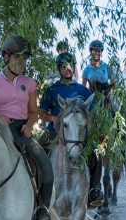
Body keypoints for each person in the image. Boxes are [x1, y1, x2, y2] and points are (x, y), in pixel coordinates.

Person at [0, 35, 53, 220]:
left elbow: (34, 112)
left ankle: (42, 209)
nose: (22, 62)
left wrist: (29, 124)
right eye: (17, 57)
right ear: (6, 57)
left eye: (25, 58)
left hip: (21, 130)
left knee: (45, 164)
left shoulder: (30, 83)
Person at [38, 52, 102, 207]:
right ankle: (37, 191)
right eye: (64, 67)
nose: (67, 69)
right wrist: (54, 119)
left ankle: (94, 190)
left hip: (79, 134)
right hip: (54, 132)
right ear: (58, 69)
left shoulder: (83, 90)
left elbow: (92, 112)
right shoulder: (51, 90)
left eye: (70, 66)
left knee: (96, 155)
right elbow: (42, 113)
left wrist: (90, 124)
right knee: (37, 151)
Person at [81, 40, 117, 208]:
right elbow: (82, 88)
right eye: (94, 50)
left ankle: (118, 139)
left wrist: (108, 93)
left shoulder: (106, 67)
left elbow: (114, 82)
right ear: (91, 52)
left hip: (105, 99)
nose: (97, 52)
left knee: (115, 115)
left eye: (99, 50)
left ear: (101, 52)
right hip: (92, 101)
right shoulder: (87, 69)